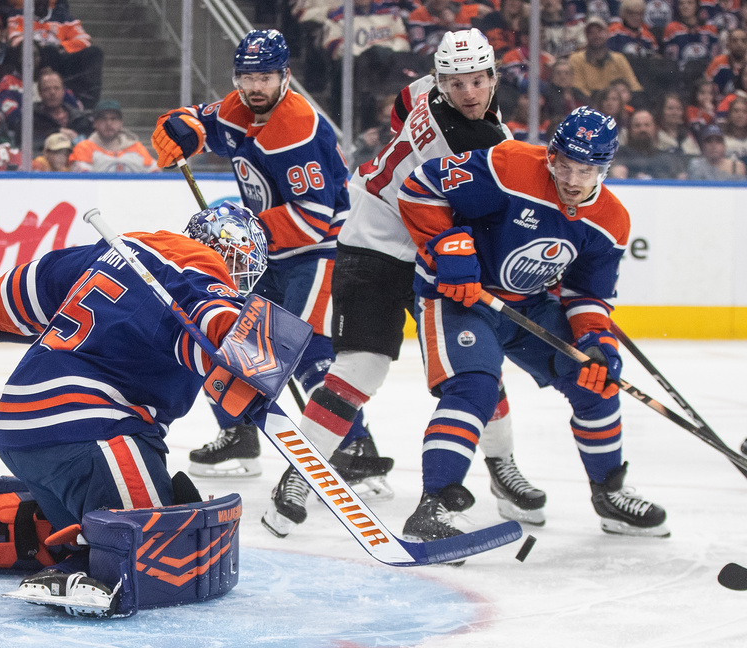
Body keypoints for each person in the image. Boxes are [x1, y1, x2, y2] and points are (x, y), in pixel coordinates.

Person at [274, 29, 548, 538]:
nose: (468, 92)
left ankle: (501, 466)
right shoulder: (478, 144)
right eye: (456, 83)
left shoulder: (427, 89)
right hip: (376, 246)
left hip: (420, 250)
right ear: (443, 82)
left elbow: (403, 104)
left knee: (476, 362)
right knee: (362, 367)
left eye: (477, 81)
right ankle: (300, 474)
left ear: (493, 78)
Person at [0, 202, 267, 613]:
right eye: (239, 265)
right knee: (154, 555)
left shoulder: (120, 249)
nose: (238, 278)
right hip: (95, 427)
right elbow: (213, 317)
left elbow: (32, 283)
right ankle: (86, 568)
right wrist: (256, 359)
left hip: (21, 428)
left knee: (91, 528)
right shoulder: (201, 273)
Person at [152, 29, 390, 530]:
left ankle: (357, 447)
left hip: (316, 251)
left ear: (285, 76)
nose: (254, 86)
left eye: (265, 76)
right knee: (231, 339)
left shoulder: (296, 127)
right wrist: (182, 129)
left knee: (305, 351)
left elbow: (313, 217)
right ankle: (239, 431)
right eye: (246, 76)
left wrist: (246, 230)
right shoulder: (243, 105)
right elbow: (204, 120)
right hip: (269, 253)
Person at [397, 106, 669, 541]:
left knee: (595, 379)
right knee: (475, 388)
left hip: (529, 305)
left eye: (586, 169)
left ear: (604, 168)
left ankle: (609, 495)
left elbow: (586, 295)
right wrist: (450, 247)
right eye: (565, 165)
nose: (573, 180)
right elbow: (420, 186)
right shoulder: (510, 166)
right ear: (552, 156)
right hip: (460, 298)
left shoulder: (611, 221)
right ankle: (434, 507)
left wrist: (596, 340)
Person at [6, 0, 103, 108]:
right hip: (35, 60)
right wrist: (41, 47)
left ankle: (89, 103)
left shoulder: (64, 19)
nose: (40, 3)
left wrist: (62, 47)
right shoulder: (18, 16)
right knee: (48, 51)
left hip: (61, 57)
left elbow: (84, 40)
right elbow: (16, 40)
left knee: (95, 52)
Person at [70, 99, 155, 173]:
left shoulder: (137, 148)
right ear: (95, 123)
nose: (109, 123)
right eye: (103, 119)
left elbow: (155, 174)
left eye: (114, 119)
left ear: (121, 123)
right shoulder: (84, 147)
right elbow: (83, 180)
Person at [610, 108, 688, 178]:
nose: (642, 129)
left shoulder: (666, 157)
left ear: (655, 129)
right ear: (630, 131)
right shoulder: (620, 154)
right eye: (637, 126)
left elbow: (680, 178)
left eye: (647, 125)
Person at [33, 68, 90, 150]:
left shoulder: (78, 118)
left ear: (63, 91)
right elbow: (27, 144)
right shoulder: (30, 119)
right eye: (47, 89)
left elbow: (88, 145)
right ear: (40, 93)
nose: (52, 93)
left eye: (56, 88)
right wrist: (56, 133)